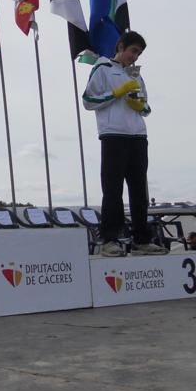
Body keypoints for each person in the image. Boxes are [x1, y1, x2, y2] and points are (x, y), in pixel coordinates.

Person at [83, 30, 167, 257]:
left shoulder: (135, 75)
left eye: (139, 54)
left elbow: (146, 108)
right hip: (113, 135)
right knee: (113, 190)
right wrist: (117, 93)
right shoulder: (102, 67)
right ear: (120, 47)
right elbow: (88, 100)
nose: (135, 57)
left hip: (138, 136)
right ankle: (110, 240)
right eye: (133, 51)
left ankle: (142, 241)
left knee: (139, 191)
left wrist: (140, 105)